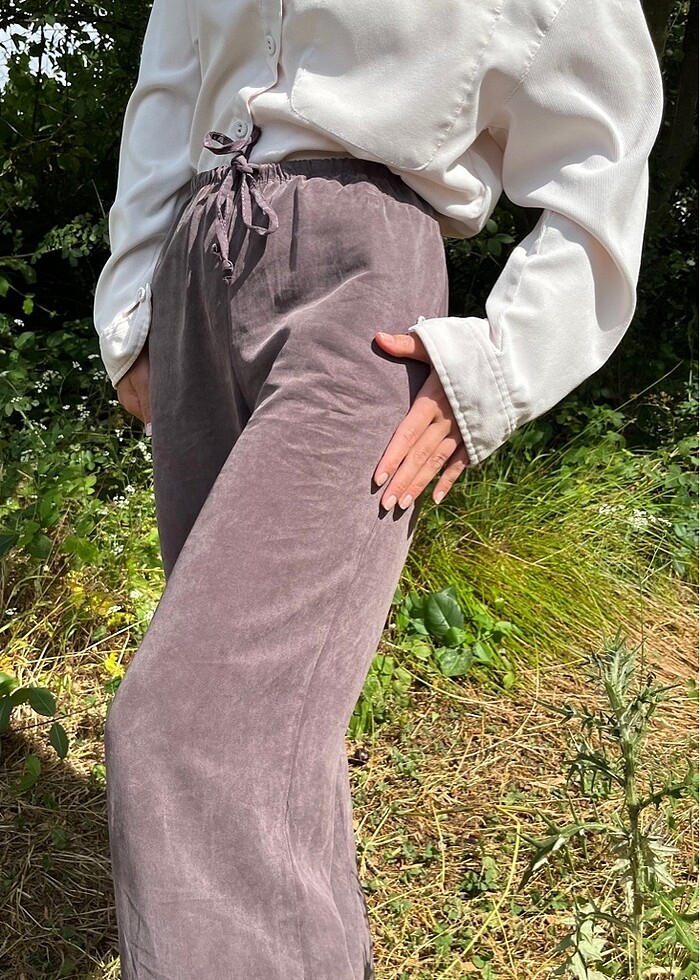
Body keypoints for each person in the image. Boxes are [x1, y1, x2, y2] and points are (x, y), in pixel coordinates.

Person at [93, 1, 663, 976]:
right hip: (198, 264)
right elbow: (171, 81)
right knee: (271, 733)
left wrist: (503, 359)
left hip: (358, 290)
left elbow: (604, 137)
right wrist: (135, 298)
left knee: (185, 733)